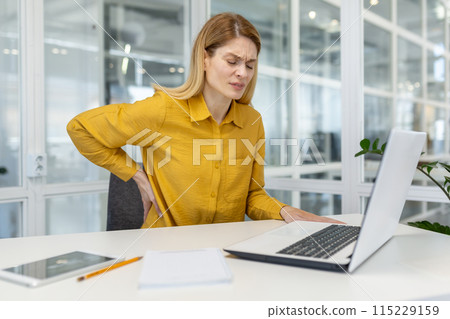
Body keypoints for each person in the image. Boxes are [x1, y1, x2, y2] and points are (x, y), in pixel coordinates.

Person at [67, 12, 342, 228]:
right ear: (205, 59)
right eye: (232, 61)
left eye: (250, 64)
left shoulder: (252, 121)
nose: (242, 73)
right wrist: (136, 175)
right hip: (165, 250)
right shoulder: (163, 109)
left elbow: (252, 196)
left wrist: (285, 211)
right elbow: (80, 129)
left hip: (226, 250)